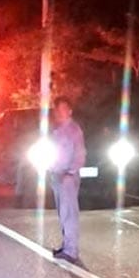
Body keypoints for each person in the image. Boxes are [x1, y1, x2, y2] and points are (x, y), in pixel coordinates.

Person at [49, 97, 86, 263]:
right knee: (63, 213)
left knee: (69, 213)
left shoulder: (73, 129)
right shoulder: (57, 130)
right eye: (58, 109)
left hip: (67, 177)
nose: (60, 112)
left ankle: (71, 250)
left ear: (70, 110)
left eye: (63, 108)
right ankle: (66, 246)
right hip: (57, 175)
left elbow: (80, 154)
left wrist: (70, 172)